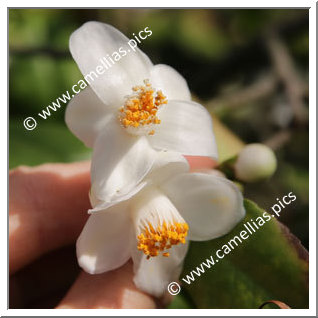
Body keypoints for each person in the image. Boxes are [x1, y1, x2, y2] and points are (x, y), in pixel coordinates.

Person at [9, 157, 215, 309]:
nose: (163, 234)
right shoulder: (110, 211)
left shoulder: (205, 196)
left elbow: (222, 204)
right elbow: (92, 253)